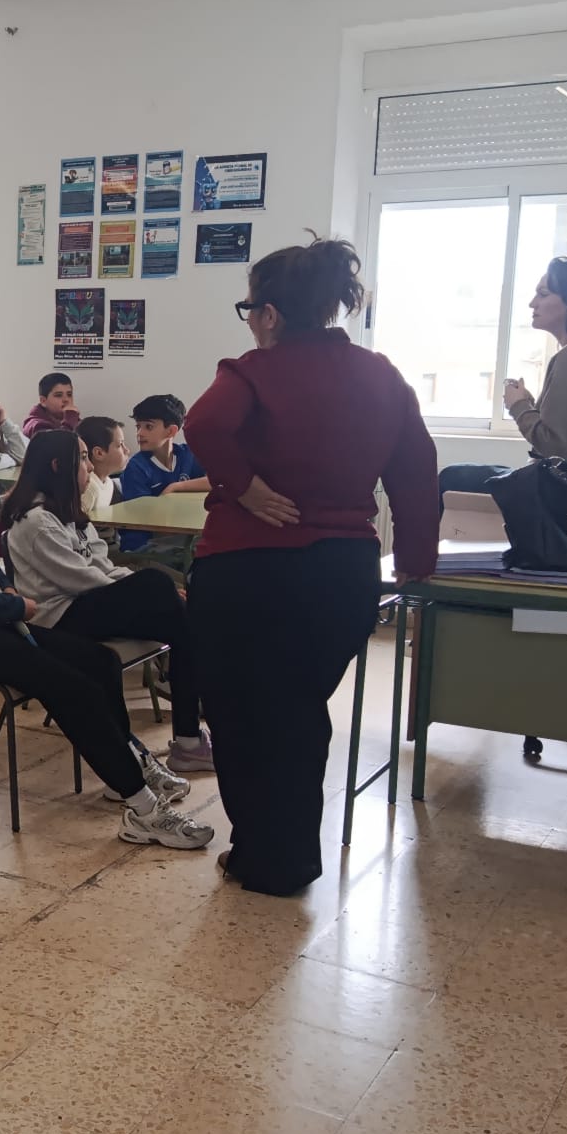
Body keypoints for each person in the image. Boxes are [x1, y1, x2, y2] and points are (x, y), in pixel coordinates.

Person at [185, 236, 439, 897]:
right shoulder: (380, 374)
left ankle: (264, 855)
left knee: (241, 716)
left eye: (249, 309)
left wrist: (243, 488)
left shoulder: (252, 372)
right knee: (298, 711)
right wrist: (417, 557)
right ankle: (290, 855)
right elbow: (417, 470)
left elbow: (202, 425)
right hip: (341, 575)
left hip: (247, 571)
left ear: (269, 313)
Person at [0, 431, 213, 848]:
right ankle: (142, 807)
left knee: (99, 662)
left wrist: (4, 587)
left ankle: (131, 763)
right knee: (74, 689)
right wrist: (14, 605)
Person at [0, 430, 212, 773]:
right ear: (57, 466)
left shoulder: (67, 511)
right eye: (82, 458)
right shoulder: (36, 521)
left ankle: (188, 741)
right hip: (59, 615)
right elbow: (80, 579)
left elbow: (102, 564)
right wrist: (141, 590)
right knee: (158, 585)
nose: (88, 465)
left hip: (88, 602)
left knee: (183, 623)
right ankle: (187, 739)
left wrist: (140, 588)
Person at [449, 257, 567, 522]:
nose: (533, 303)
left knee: (450, 478)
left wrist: (518, 406)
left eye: (543, 294)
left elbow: (555, 445)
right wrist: (531, 406)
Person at [117, 393, 209, 553]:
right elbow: (145, 518)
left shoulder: (187, 455)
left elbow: (218, 481)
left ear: (171, 431)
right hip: (144, 545)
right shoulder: (137, 467)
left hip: (179, 537)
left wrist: (175, 487)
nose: (140, 433)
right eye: (138, 426)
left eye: (148, 427)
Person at [78, 415, 129, 524]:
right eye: (120, 445)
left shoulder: (108, 483)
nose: (127, 450)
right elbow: (77, 527)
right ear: (99, 453)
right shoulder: (88, 488)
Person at [22, 372, 82, 438]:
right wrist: (70, 420)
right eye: (58, 395)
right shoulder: (36, 425)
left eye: (69, 394)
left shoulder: (71, 419)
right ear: (43, 401)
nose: (66, 399)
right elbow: (59, 443)